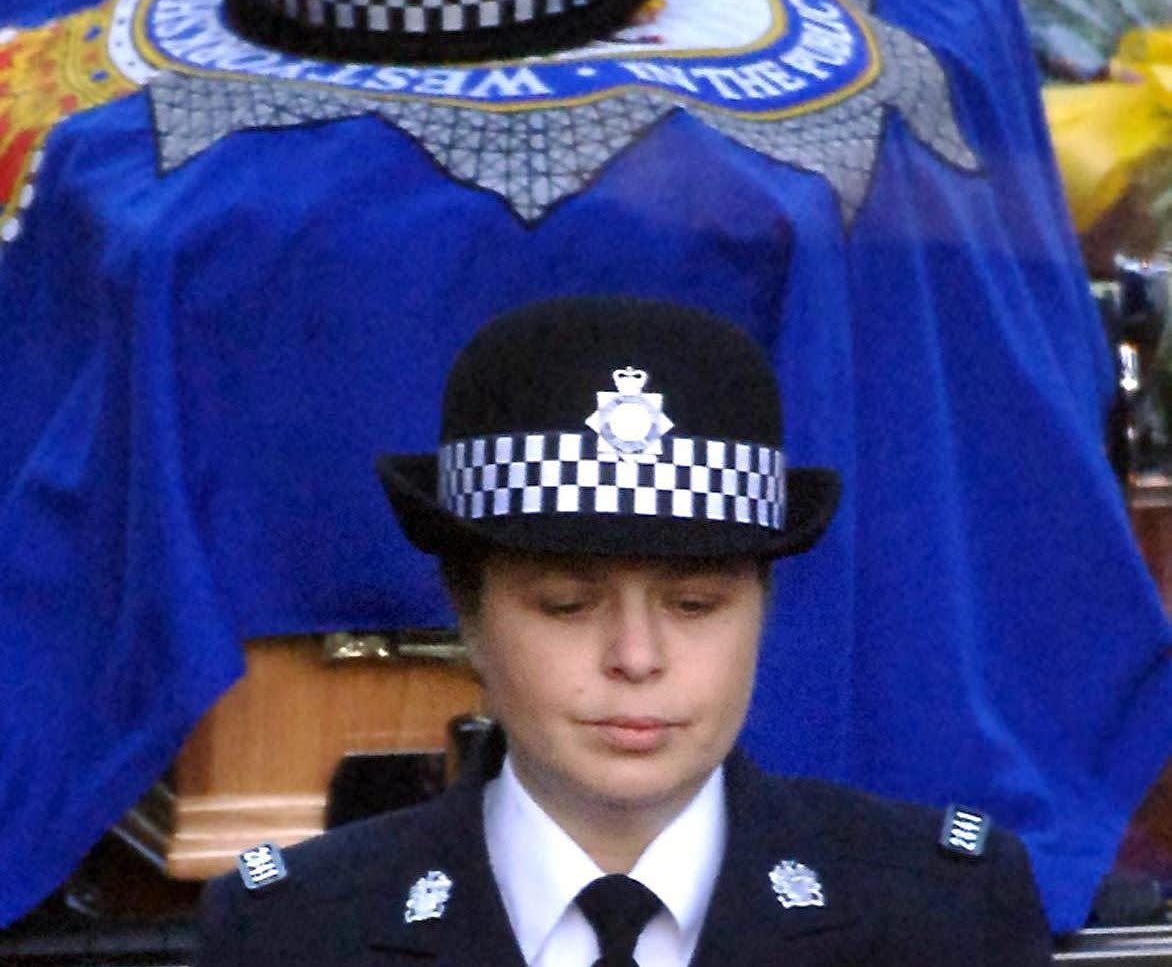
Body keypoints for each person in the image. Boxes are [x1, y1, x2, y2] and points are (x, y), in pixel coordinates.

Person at [194, 295, 1054, 966]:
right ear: (469, 614)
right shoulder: (300, 935)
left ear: (765, 606)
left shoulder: (940, 917)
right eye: (567, 605)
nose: (636, 659)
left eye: (695, 607)